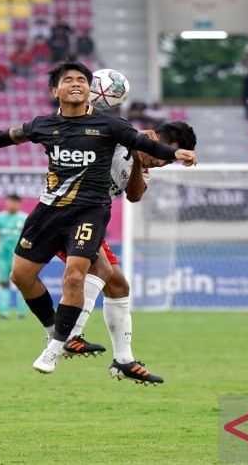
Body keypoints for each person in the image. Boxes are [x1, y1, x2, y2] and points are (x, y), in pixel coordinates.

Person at [0, 62, 196, 374]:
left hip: (89, 213)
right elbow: (1, 138)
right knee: (31, 277)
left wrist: (157, 157)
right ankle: (74, 339)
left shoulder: (122, 138)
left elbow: (136, 189)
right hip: (51, 212)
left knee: (104, 280)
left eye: (82, 80)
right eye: (69, 80)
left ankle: (83, 347)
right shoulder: (57, 126)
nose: (76, 84)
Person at [56, 120, 197, 384]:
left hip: (86, 219)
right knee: (101, 270)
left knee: (119, 287)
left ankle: (123, 361)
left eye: (169, 162)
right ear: (155, 138)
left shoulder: (141, 162)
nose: (163, 163)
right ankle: (68, 335)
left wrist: (137, 159)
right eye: (165, 155)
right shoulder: (118, 137)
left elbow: (134, 196)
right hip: (65, 212)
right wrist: (131, 145)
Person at [0, 194, 30, 319]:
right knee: (3, 283)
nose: (11, 204)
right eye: (9, 202)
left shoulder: (24, 218)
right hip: (3, 256)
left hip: (19, 256)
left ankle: (22, 313)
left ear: (19, 204)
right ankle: (3, 312)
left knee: (22, 283)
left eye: (14, 202)